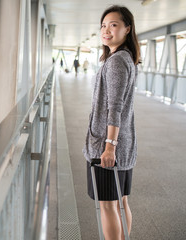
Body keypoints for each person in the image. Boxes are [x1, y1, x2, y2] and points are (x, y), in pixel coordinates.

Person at [82, 5, 140, 240]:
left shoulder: (117, 61)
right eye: (103, 26)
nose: (106, 30)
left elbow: (114, 108)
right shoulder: (125, 58)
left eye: (113, 25)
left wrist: (109, 147)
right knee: (121, 202)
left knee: (108, 206)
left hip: (109, 148)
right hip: (124, 144)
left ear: (127, 29)